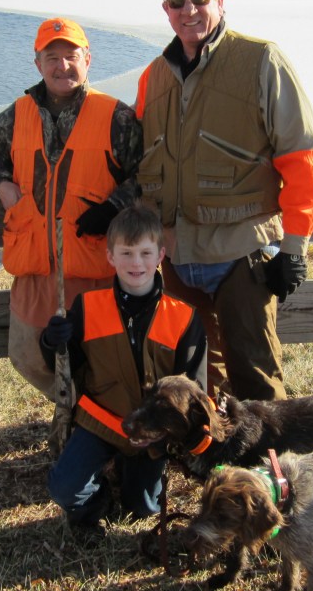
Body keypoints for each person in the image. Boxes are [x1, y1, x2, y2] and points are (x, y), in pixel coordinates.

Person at [134, 0, 313, 401]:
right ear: (166, 9)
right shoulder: (152, 77)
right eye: (177, 1)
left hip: (242, 256)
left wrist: (294, 247)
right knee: (192, 385)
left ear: (220, 1)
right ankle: (213, 449)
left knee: (256, 383)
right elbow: (137, 163)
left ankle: (271, 452)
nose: (189, 10)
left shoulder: (262, 61)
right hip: (176, 259)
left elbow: (301, 156)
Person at [0, 17, 142, 399]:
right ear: (38, 64)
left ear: (88, 59)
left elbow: (148, 173)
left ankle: (89, 421)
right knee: (29, 356)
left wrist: (114, 206)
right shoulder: (18, 113)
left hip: (95, 268)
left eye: (71, 56)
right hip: (34, 266)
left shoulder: (116, 116)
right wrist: (1, 185)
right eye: (52, 57)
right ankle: (69, 412)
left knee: (100, 364)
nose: (62, 66)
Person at [40, 203, 207, 535]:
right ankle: (97, 499)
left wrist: (165, 435)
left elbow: (193, 389)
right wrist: (51, 341)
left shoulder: (184, 317)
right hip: (100, 421)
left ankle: (131, 472)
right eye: (126, 253)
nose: (136, 263)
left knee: (142, 509)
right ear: (110, 257)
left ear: (160, 255)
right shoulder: (87, 306)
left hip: (152, 431)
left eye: (145, 253)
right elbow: (65, 368)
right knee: (64, 490)